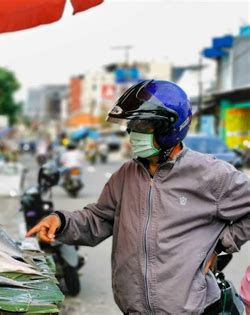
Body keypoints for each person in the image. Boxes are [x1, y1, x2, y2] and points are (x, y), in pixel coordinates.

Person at [27, 80, 250, 314]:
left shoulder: (210, 174)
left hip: (194, 309)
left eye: (142, 125)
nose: (132, 133)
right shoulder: (125, 175)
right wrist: (62, 222)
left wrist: (221, 245)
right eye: (132, 125)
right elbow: (98, 218)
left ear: (168, 128)